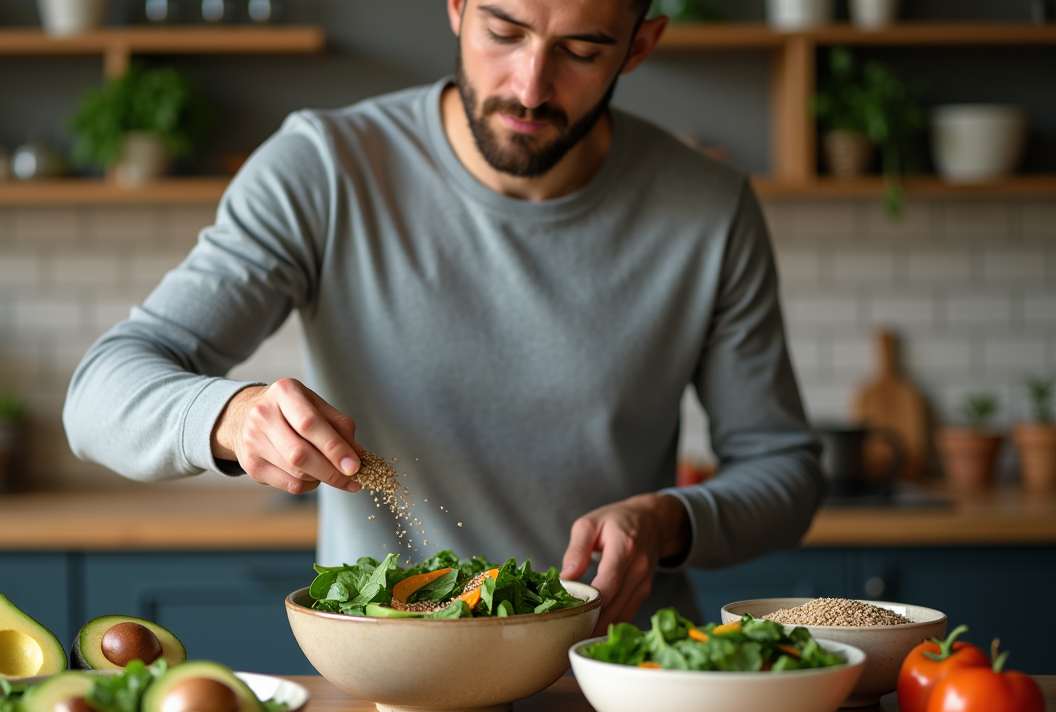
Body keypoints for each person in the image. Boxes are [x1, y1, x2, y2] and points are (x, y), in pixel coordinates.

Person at [63, 0, 824, 634]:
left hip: (620, 677)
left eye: (583, 50)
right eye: (504, 31)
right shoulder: (324, 169)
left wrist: (666, 521)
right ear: (456, 7)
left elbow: (784, 470)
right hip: (392, 673)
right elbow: (98, 393)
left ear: (639, 46)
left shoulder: (710, 210)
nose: (530, 86)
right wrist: (230, 415)